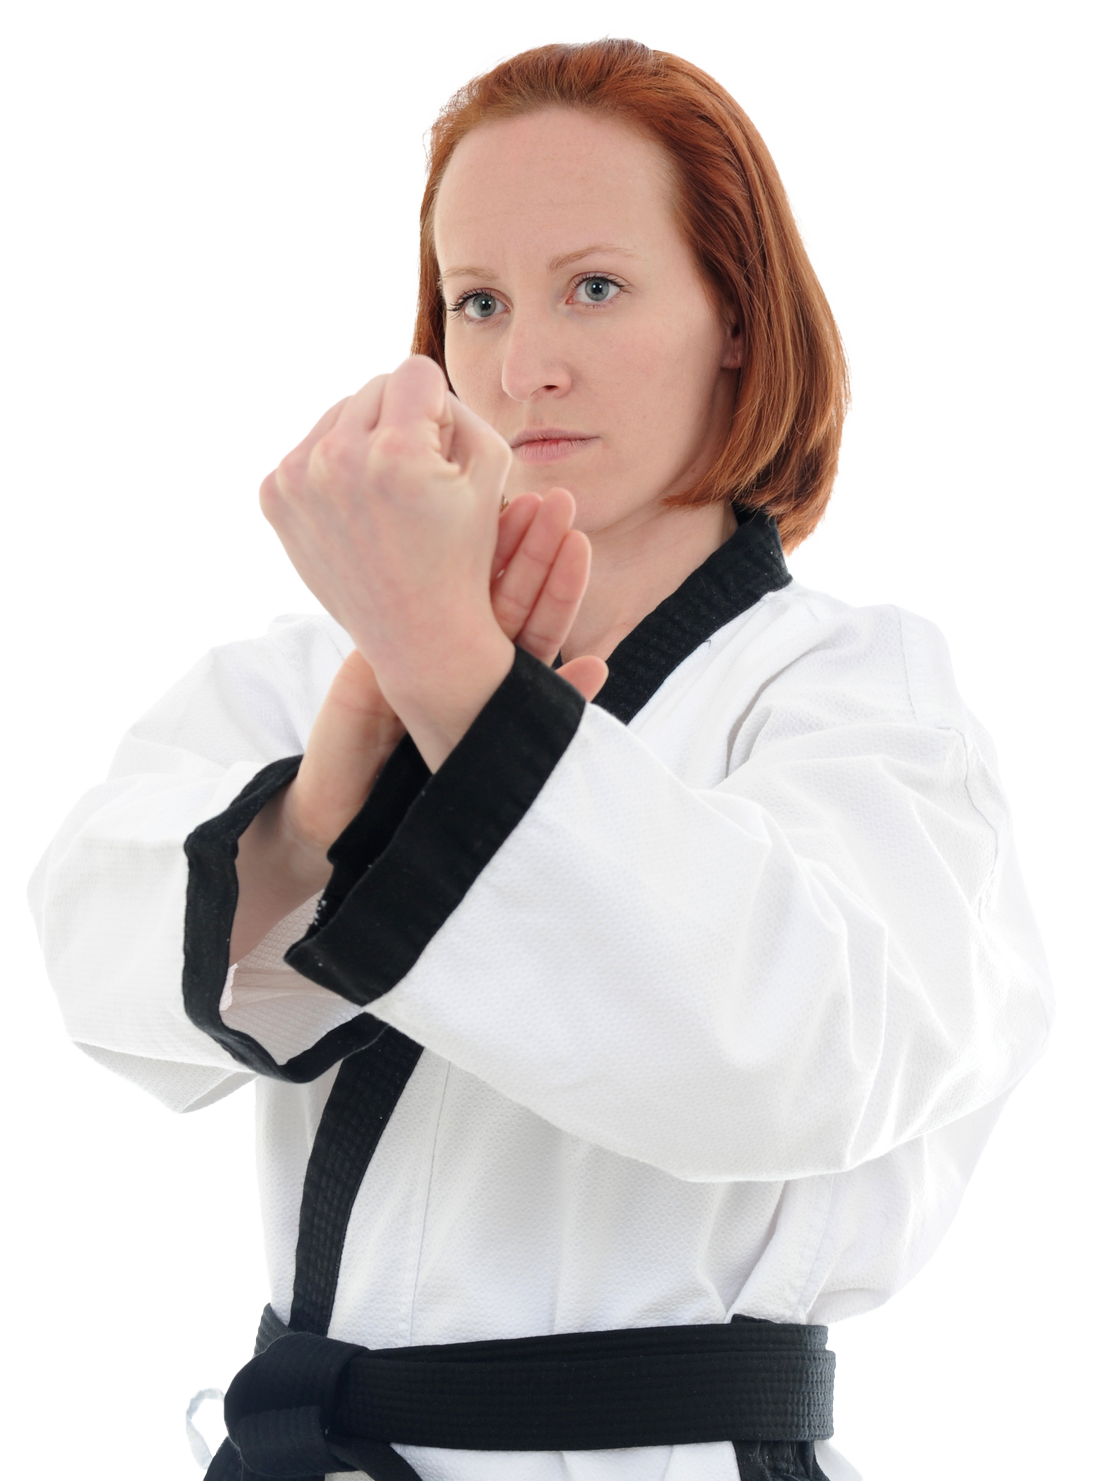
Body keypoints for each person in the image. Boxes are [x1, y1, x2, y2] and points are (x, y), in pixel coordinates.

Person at [28, 35, 1052, 1481]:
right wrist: (332, 797)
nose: (523, 365)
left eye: (595, 286)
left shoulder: (850, 692)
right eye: (477, 300)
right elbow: (95, 958)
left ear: (736, 318)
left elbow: (789, 1055)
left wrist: (460, 686)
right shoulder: (312, 665)